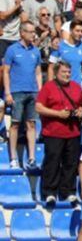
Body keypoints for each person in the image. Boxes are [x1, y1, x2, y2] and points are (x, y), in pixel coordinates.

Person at [36, 61, 82, 206]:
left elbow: (80, 105)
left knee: (71, 163)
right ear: (56, 73)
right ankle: (50, 192)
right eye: (64, 72)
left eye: (69, 72)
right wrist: (57, 114)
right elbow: (39, 107)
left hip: (73, 131)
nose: (67, 74)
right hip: (53, 131)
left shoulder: (76, 87)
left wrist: (80, 111)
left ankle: (68, 191)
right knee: (53, 162)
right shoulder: (48, 87)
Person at [3, 21, 41, 169]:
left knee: (31, 123)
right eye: (30, 32)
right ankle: (13, 158)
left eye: (34, 32)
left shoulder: (36, 51)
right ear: (22, 33)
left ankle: (31, 158)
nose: (33, 34)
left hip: (32, 91)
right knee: (15, 124)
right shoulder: (12, 50)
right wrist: (7, 92)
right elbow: (6, 71)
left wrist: (40, 91)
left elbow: (38, 72)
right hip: (16, 91)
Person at [48, 19, 82, 84]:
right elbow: (51, 67)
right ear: (71, 31)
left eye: (81, 31)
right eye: (77, 31)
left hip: (77, 87)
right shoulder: (59, 46)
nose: (80, 33)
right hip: (61, 87)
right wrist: (50, 87)